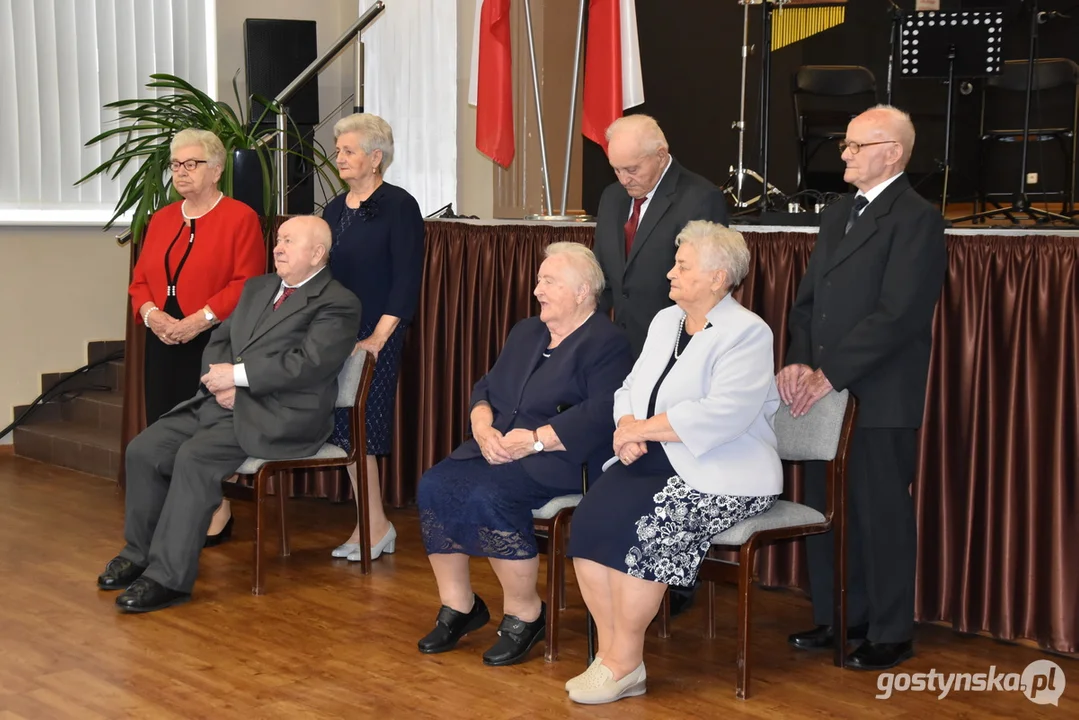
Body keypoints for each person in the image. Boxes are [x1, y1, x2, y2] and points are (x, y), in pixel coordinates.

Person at [97, 216, 362, 613]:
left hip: (282, 414)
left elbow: (308, 365)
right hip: (222, 401)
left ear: (318, 253)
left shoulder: (338, 302)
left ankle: (167, 577)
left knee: (194, 459)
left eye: (289, 241)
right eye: (278, 240)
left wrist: (238, 379)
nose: (278, 248)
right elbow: (219, 340)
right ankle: (139, 554)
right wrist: (222, 382)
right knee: (144, 449)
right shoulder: (259, 288)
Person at [564, 221, 781, 705]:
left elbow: (724, 414)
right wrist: (625, 428)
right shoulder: (666, 321)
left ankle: (624, 662)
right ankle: (613, 657)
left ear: (718, 277)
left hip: (728, 469)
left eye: (682, 266)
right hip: (654, 452)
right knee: (592, 522)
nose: (669, 273)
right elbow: (630, 388)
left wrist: (643, 429)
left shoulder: (748, 333)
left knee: (648, 527)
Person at [779, 105, 947, 671]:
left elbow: (898, 314)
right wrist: (799, 361)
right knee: (829, 507)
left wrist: (832, 372)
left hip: (879, 391)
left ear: (892, 152)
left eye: (855, 145)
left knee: (879, 512)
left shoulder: (916, 217)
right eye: (844, 145)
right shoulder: (837, 214)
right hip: (826, 391)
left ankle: (891, 629)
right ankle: (839, 616)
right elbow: (808, 303)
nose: (844, 154)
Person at [414, 243, 633, 667]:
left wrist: (533, 440)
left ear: (584, 290)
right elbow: (487, 387)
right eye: (538, 280)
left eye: (549, 281)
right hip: (498, 447)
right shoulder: (526, 331)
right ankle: (459, 605)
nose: (537, 290)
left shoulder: (607, 341)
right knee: (434, 485)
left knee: (489, 495)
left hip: (562, 459)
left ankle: (525, 613)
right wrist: (481, 425)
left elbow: (603, 412)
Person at [128, 128, 266, 546]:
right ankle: (175, 512)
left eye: (192, 164)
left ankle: (216, 509)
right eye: (176, 165)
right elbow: (140, 281)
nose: (181, 173)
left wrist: (199, 319)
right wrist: (153, 316)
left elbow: (249, 282)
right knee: (164, 426)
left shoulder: (239, 217)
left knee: (204, 431)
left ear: (217, 168)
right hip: (163, 337)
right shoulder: (162, 219)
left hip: (213, 339)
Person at [321, 113, 425, 563]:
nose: (338, 157)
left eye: (348, 151)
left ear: (376, 157)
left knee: (361, 428)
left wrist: (380, 337)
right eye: (338, 150)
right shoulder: (332, 208)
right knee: (343, 431)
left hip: (374, 337)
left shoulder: (399, 205)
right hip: (336, 334)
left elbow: (406, 279)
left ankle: (375, 525)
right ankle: (373, 523)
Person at [592, 114, 729, 358]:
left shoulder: (700, 199)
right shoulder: (611, 198)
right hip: (616, 348)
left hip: (673, 350)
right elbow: (602, 277)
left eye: (632, 169)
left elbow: (705, 289)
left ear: (661, 155)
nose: (624, 179)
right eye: (616, 170)